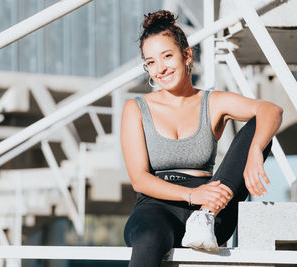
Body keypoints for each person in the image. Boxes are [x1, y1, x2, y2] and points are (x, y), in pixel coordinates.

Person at [120, 10, 283, 267]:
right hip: (157, 208)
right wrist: (192, 196)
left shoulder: (212, 102)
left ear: (186, 55)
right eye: (150, 62)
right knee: (149, 238)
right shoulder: (136, 108)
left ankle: (204, 218)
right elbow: (139, 180)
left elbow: (271, 110)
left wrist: (256, 150)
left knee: (258, 129)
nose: (160, 68)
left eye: (167, 56)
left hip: (212, 209)